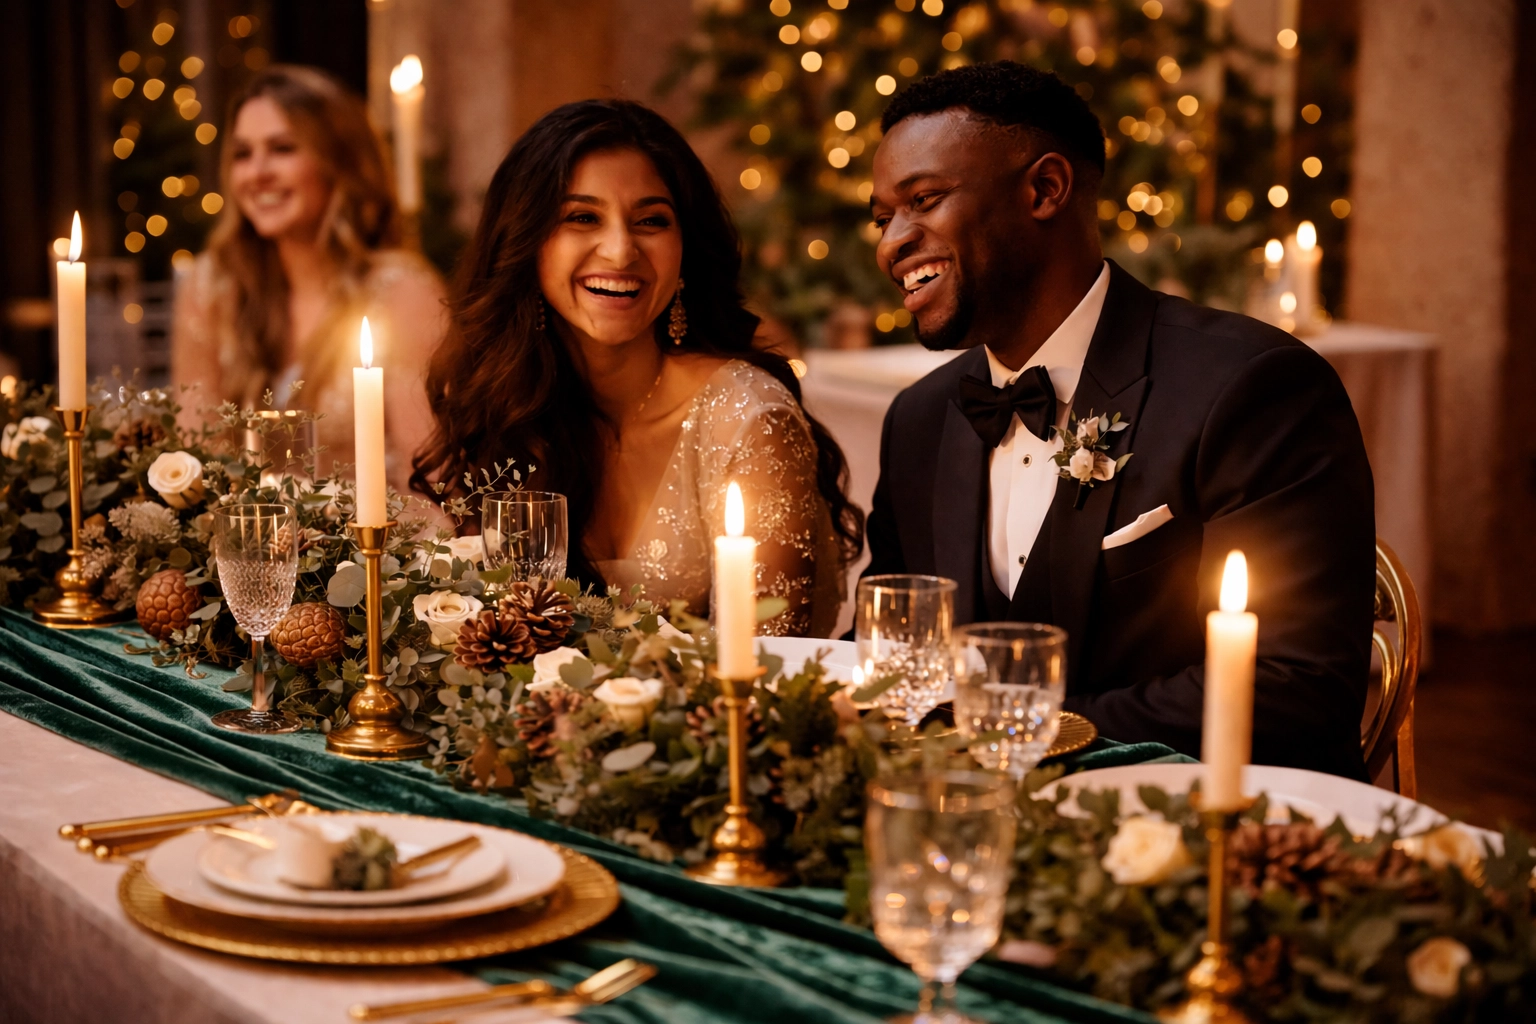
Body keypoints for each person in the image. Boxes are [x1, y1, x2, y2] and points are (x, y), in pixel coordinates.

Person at [864, 62, 1376, 779]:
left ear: (1045, 189)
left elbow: (1294, 685)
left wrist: (1023, 734)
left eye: (924, 200)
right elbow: (890, 651)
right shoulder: (919, 420)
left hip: (1203, 830)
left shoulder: (1251, 387)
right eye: (884, 217)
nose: (892, 243)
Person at [412, 100, 862, 637]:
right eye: (582, 217)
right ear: (526, 242)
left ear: (684, 248)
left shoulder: (748, 421)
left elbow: (769, 658)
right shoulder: (507, 403)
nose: (621, 251)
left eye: (651, 221)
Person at [171, 65, 444, 492]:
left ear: (339, 162)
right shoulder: (212, 286)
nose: (257, 172)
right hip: (244, 550)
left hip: (374, 551)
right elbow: (192, 459)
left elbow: (429, 481)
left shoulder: (401, 291)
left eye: (282, 149)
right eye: (243, 154)